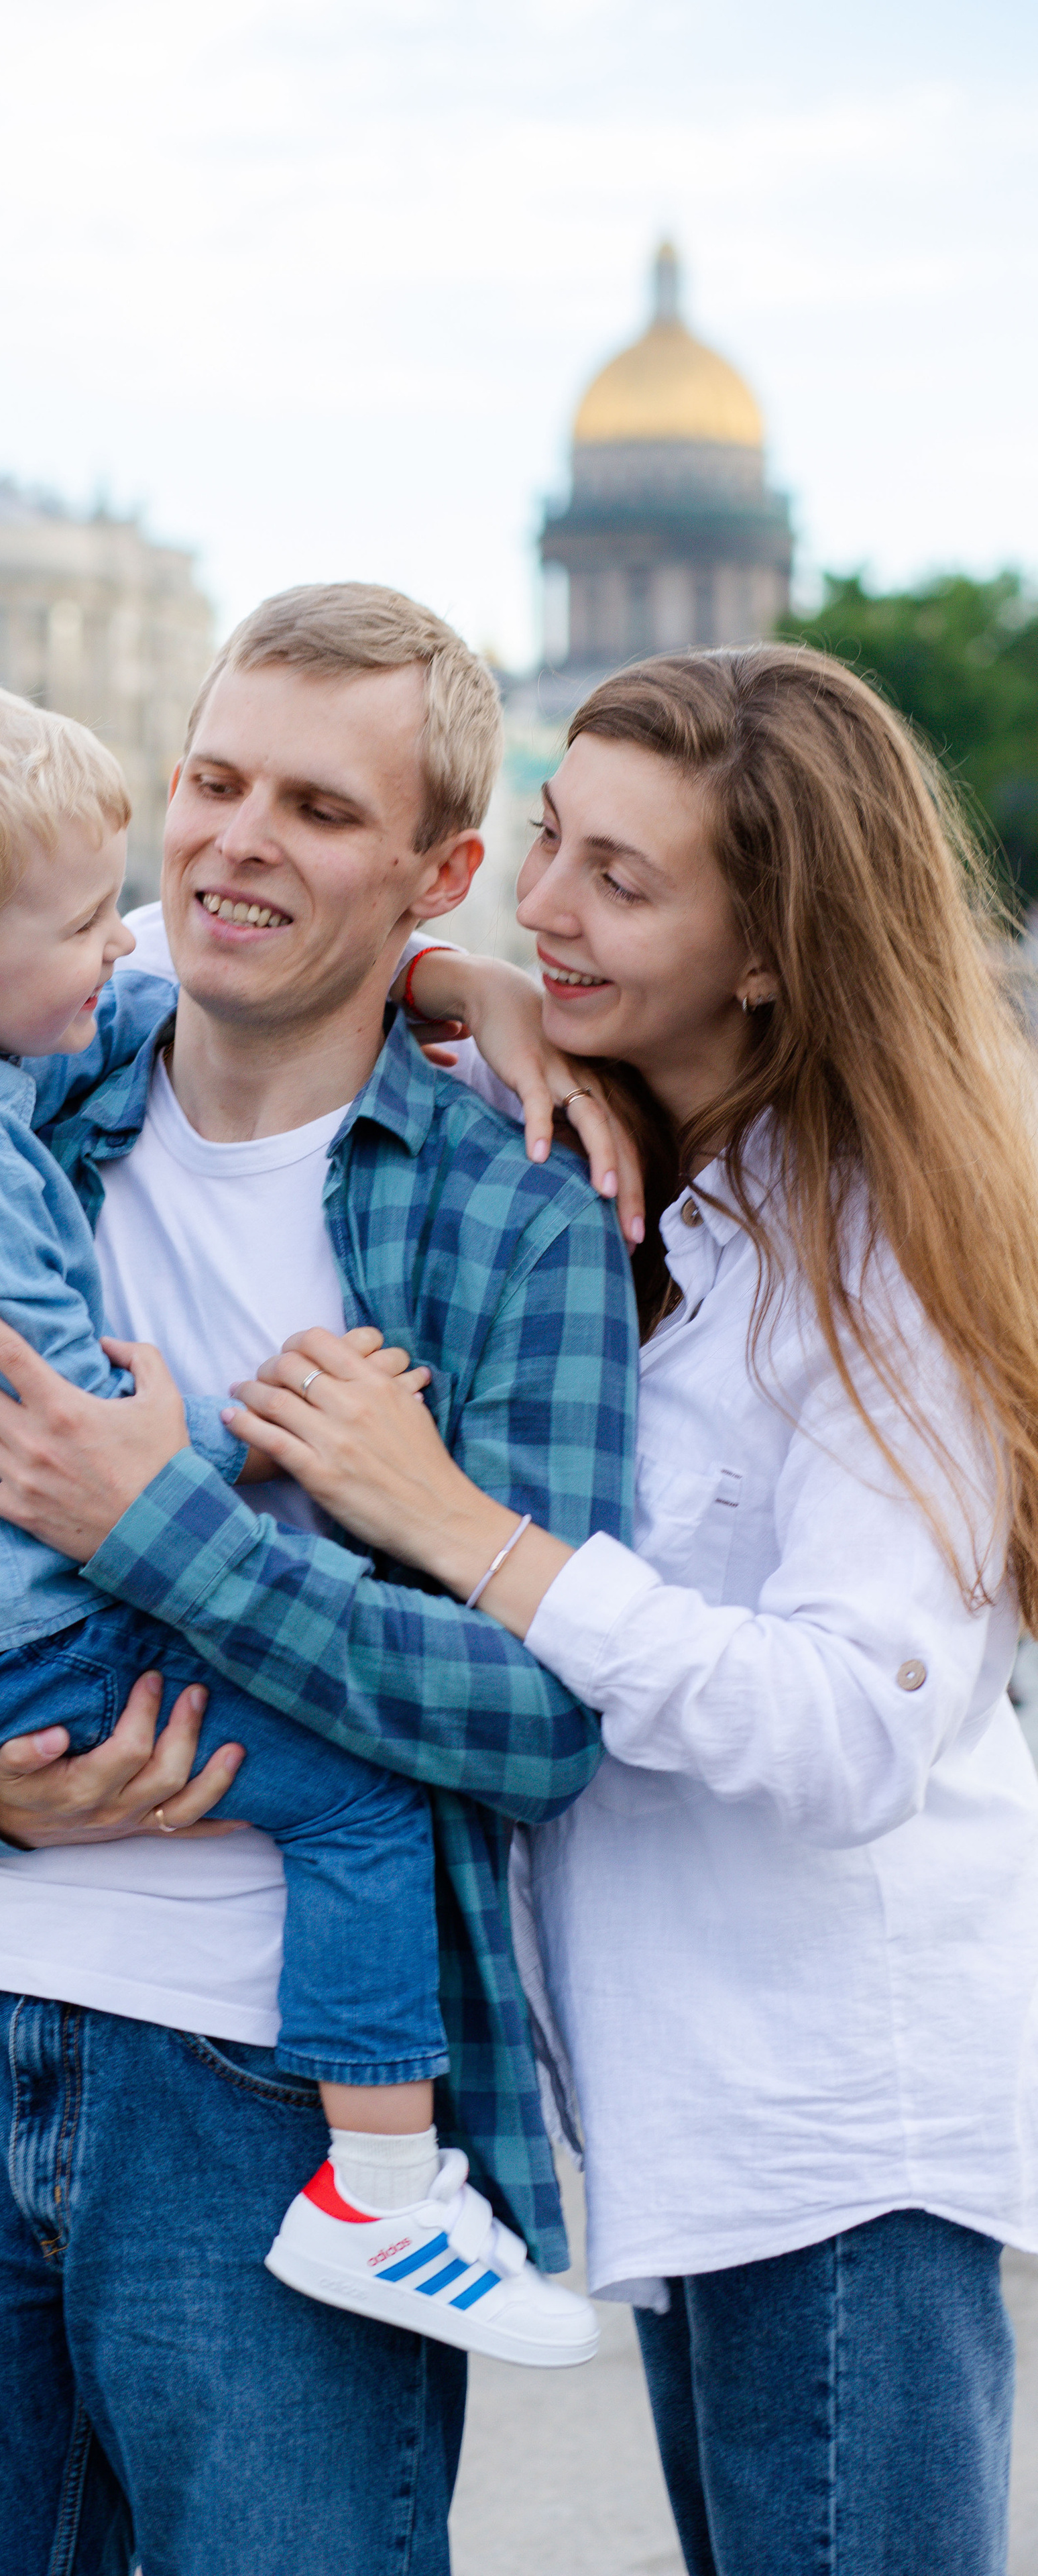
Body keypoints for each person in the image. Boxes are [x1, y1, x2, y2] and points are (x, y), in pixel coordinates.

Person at [0, 582, 641, 2576]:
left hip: (278, 2097)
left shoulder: (510, 1213)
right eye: (210, 779)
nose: (233, 838)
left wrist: (157, 1523)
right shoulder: (9, 1100)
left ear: (438, 873)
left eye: (315, 804)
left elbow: (540, 1717)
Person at [166, 645, 1038, 2576]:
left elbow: (851, 1725)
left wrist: (459, 1526)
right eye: (551, 841)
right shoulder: (608, 1137)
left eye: (621, 884)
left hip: (833, 2124)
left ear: (770, 957)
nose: (544, 902)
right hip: (683, 2113)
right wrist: (457, 980)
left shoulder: (881, 1247)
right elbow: (202, 981)